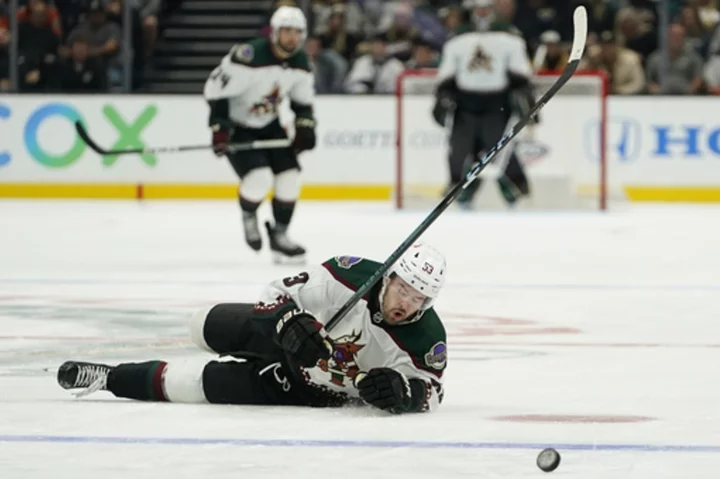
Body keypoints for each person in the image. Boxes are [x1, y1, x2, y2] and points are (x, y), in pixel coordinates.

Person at [56, 242, 448, 415]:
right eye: (403, 289)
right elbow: (275, 293)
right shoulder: (348, 275)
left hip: (301, 388)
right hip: (276, 336)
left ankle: (110, 378)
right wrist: (290, 323)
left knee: (195, 386)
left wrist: (405, 392)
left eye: (418, 299)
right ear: (391, 275)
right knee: (201, 324)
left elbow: (432, 390)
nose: (405, 304)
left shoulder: (427, 338)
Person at [203, 5, 316, 264]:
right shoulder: (249, 55)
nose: (292, 38)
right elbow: (215, 92)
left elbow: (302, 102)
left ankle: (280, 236)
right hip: (238, 126)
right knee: (260, 180)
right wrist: (219, 128)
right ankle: (249, 214)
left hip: (270, 125)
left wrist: (305, 127)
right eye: (286, 31)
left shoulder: (300, 63)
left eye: (297, 32)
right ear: (274, 32)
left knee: (290, 178)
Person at [432, 0, 535, 208]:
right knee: (461, 150)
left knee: (500, 150)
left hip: (497, 103)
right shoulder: (458, 38)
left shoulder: (509, 36)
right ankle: (460, 192)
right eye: (478, 9)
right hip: (465, 103)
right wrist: (443, 95)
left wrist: (525, 97)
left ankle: (516, 191)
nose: (482, 13)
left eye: (486, 9)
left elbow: (520, 75)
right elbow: (447, 75)